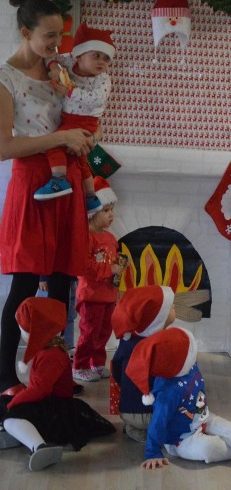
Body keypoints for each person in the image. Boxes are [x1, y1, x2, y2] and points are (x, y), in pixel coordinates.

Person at [0, 0, 93, 395]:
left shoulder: (58, 70)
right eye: (49, 37)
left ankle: (52, 372)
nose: (58, 44)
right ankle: (4, 374)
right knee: (23, 283)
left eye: (60, 35)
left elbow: (77, 114)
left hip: (66, 178)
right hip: (33, 183)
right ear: (25, 33)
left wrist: (83, 134)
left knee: (60, 282)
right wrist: (61, 140)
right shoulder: (6, 79)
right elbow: (4, 146)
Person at [126, 326, 231, 472]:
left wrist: (203, 417)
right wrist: (152, 452)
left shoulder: (190, 366)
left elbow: (199, 392)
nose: (196, 352)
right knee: (209, 449)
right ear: (179, 361)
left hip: (204, 417)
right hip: (181, 439)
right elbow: (157, 422)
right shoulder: (167, 392)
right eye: (192, 350)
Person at [0, 298, 114, 470]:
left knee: (12, 413)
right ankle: (17, 431)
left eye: (23, 329)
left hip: (56, 411)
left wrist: (14, 403)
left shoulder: (51, 355)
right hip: (50, 403)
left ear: (37, 331)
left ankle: (39, 446)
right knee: (6, 404)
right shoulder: (47, 349)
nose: (21, 333)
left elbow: (40, 390)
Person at [35, 22, 114, 215]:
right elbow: (51, 56)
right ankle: (91, 197)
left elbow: (96, 100)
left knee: (53, 144)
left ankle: (59, 179)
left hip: (86, 121)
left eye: (106, 59)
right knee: (81, 160)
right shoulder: (69, 62)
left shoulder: (103, 79)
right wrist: (54, 67)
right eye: (96, 55)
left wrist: (71, 91)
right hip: (69, 118)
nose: (102, 62)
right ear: (78, 55)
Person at [111, 285, 175, 442]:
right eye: (170, 306)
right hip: (149, 411)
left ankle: (134, 427)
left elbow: (116, 369)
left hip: (126, 409)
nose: (174, 307)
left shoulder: (128, 341)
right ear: (158, 318)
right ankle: (150, 432)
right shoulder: (160, 348)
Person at [72, 177, 120, 382]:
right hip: (91, 295)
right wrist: (111, 269)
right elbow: (85, 267)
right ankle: (80, 365)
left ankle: (97, 364)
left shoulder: (110, 238)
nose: (111, 215)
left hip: (108, 295)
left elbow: (115, 261)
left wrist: (119, 270)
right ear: (92, 213)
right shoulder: (86, 238)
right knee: (89, 333)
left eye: (112, 211)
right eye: (106, 211)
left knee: (103, 332)